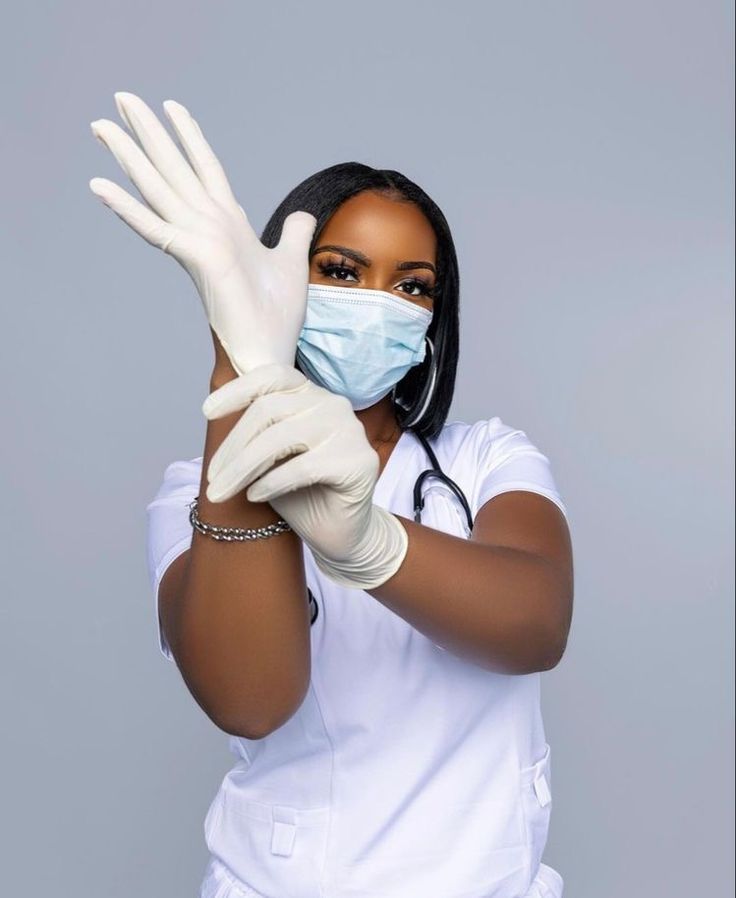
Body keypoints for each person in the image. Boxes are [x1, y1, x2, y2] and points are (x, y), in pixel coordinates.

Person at [91, 92, 574, 898]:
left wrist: (367, 545)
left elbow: (535, 624)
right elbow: (250, 700)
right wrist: (241, 361)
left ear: (432, 325)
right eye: (342, 272)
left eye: (412, 287)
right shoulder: (194, 496)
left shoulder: (486, 459)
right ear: (285, 281)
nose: (378, 302)